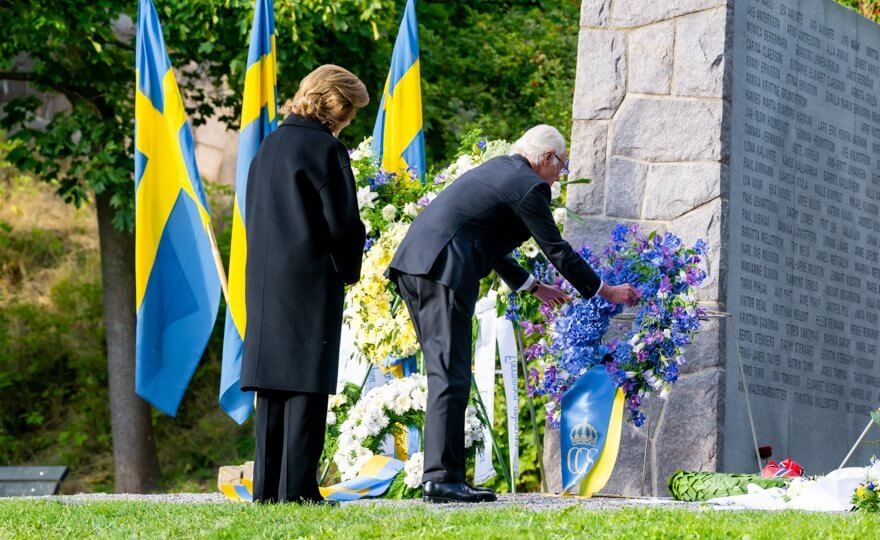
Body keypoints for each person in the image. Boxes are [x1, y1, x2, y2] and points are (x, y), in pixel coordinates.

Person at [387, 125, 640, 503]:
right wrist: (605, 290)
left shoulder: (499, 172)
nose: (561, 175)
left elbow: (490, 244)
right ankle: (441, 480)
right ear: (547, 158)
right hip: (442, 270)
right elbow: (557, 249)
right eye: (562, 165)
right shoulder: (529, 185)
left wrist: (534, 288)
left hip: (417, 267)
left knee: (447, 371)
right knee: (451, 374)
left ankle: (444, 478)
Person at [241, 65, 368, 503]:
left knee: (272, 386)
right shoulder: (325, 151)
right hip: (310, 277)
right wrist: (349, 268)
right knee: (306, 386)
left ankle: (266, 490)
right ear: (339, 105)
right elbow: (344, 225)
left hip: (263, 279)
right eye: (351, 111)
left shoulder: (268, 145)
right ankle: (298, 492)